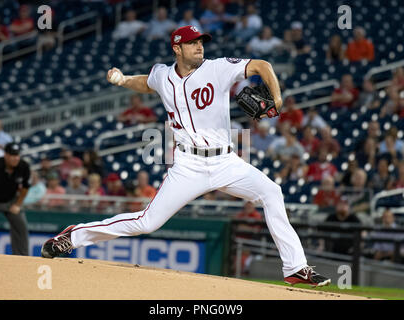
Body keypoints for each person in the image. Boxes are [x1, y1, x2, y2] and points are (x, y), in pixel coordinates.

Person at [41, 25, 330, 287]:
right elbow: (147, 82)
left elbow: (262, 66)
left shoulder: (217, 68)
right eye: (192, 43)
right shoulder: (163, 75)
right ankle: (73, 236)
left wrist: (276, 99)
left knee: (272, 192)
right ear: (177, 49)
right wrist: (124, 80)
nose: (199, 46)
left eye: (201, 42)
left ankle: (295, 267)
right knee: (147, 222)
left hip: (225, 161)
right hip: (188, 165)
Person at [0, 142, 30, 255]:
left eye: (17, 155)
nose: (16, 158)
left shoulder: (23, 167)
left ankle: (22, 257)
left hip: (11, 200)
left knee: (21, 226)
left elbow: (25, 187)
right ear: (6, 155)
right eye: (12, 155)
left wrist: (18, 204)